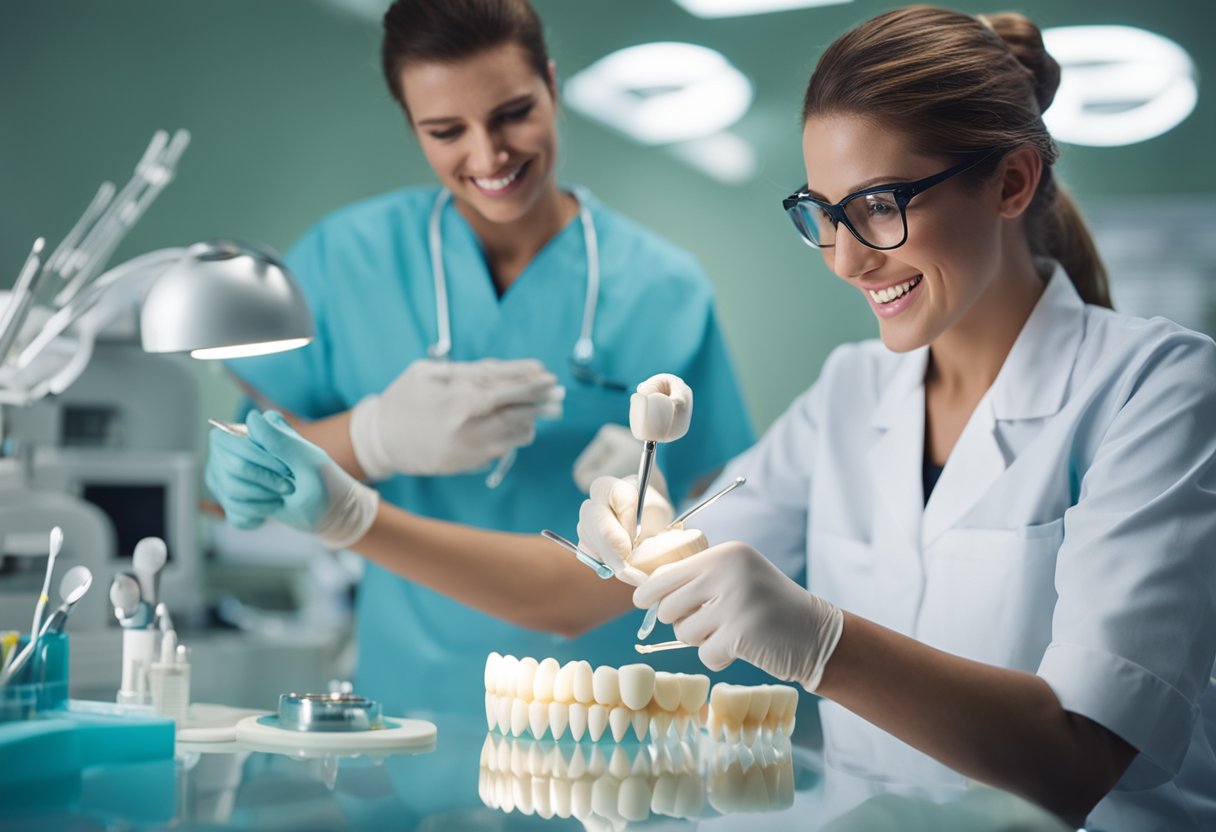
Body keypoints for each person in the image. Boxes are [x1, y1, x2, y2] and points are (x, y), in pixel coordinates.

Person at [576, 7, 1216, 829]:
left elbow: (1079, 757)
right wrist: (646, 526)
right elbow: (705, 550)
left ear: (1012, 182)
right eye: (824, 213)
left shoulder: (1158, 389)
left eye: (880, 204)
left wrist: (824, 645)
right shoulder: (851, 390)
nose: (846, 258)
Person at [208, 0, 753, 717]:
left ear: (553, 87)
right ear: (411, 125)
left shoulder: (665, 288)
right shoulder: (349, 259)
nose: (489, 155)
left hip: (607, 701)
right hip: (410, 701)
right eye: (445, 131)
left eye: (513, 113)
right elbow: (255, 469)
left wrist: (654, 510)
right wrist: (373, 435)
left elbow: (718, 515)